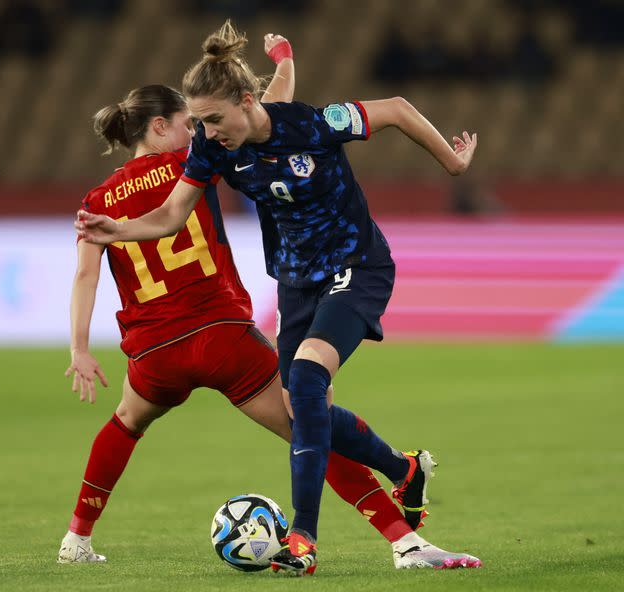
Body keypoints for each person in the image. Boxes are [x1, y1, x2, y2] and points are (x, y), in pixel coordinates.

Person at [75, 21, 481, 576]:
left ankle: (305, 539)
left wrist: (453, 164)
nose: (207, 132)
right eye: (200, 122)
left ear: (245, 102)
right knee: (303, 408)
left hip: (355, 265)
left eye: (214, 119)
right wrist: (113, 230)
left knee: (309, 381)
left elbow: (395, 107)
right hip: (296, 282)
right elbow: (171, 215)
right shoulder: (215, 148)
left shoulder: (315, 123)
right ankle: (403, 470)